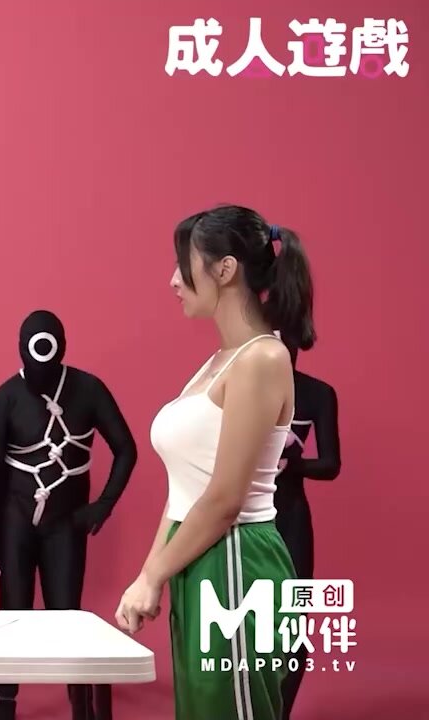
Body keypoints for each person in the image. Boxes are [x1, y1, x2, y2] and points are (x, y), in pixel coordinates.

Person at [117, 205, 314, 720]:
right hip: (200, 557)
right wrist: (151, 573)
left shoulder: (263, 359)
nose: (172, 280)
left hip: (236, 562)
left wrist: (153, 575)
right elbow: (185, 490)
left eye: (184, 264)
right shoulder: (219, 362)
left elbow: (225, 499)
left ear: (225, 270)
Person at [0, 309, 138, 720]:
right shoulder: (5, 399)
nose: (41, 360)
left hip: (66, 522)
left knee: (67, 613)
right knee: (13, 610)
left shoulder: (88, 390)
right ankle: (5, 702)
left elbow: (126, 449)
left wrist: (103, 506)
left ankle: (80, 704)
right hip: (15, 520)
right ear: (20, 349)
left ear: (62, 347)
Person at [274, 345, 340, 718]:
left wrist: (293, 464)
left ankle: (280, 712)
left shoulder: (317, 393)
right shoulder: (233, 385)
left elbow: (331, 464)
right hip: (240, 517)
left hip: (290, 519)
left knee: (293, 623)